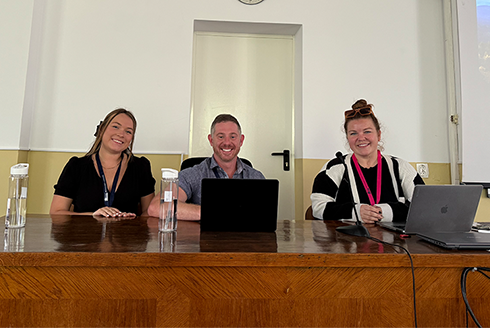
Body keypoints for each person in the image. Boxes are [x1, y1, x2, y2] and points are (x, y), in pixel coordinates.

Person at [310, 99, 425, 223]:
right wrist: (355, 212)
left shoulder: (400, 167)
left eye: (367, 132)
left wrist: (383, 212)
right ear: (347, 138)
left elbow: (424, 207)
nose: (361, 138)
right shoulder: (334, 167)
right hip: (346, 241)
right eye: (353, 133)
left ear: (379, 135)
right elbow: (318, 208)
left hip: (394, 241)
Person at [148, 114, 265, 221]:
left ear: (241, 140)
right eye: (220, 137)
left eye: (233, 137)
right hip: (205, 242)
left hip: (245, 242)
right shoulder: (192, 174)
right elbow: (156, 207)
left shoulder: (256, 177)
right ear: (211, 140)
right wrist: (211, 212)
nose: (227, 142)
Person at [50, 108, 155, 217]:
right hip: (84, 233)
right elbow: (56, 213)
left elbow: (149, 214)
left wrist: (133, 221)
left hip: (126, 233)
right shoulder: (76, 166)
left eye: (128, 131)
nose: (121, 134)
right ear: (101, 129)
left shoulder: (141, 167)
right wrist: (93, 215)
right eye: (115, 126)